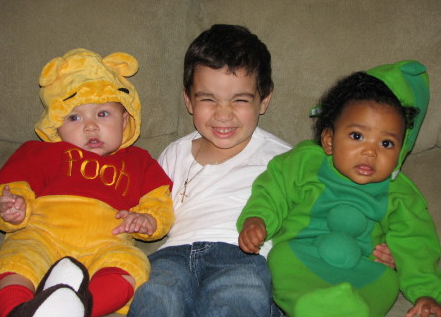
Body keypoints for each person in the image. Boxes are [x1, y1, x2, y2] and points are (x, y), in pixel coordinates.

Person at [128, 24, 395, 317]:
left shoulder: (286, 158)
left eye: (240, 100)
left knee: (241, 294)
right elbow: (154, 210)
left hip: (243, 257)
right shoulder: (174, 153)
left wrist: (373, 249)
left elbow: (325, 210)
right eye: (208, 99)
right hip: (175, 256)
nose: (223, 114)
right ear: (188, 100)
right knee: (156, 294)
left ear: (264, 100)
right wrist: (141, 219)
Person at [237, 60, 441, 317]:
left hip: (366, 269)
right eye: (357, 136)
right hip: (302, 254)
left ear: (400, 152)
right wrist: (258, 219)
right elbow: (273, 188)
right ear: (329, 140)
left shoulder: (401, 194)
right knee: (282, 262)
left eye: (387, 143)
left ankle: (345, 308)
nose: (370, 151)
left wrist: (427, 293)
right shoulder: (305, 163)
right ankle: (317, 306)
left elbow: (416, 245)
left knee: (385, 283)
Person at [0, 49, 174, 317]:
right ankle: (19, 310)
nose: (90, 127)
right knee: (18, 262)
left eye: (102, 114)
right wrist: (11, 207)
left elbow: (159, 201)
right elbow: (8, 188)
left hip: (107, 241)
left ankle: (78, 309)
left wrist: (148, 220)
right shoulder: (40, 152)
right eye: (74, 117)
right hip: (42, 234)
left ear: (124, 120)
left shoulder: (139, 161)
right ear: (56, 125)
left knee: (132, 266)